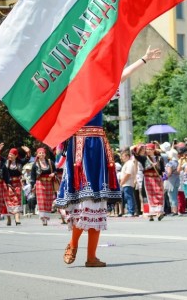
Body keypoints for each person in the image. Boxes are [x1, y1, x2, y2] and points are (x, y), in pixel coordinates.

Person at [57, 46, 161, 267]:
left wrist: (143, 59)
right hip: (81, 147)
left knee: (98, 202)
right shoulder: (70, 91)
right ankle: (74, 244)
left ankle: (91, 256)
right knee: (85, 202)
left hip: (98, 146)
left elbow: (121, 77)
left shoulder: (99, 89)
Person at [31, 148, 58, 226]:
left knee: (48, 200)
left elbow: (55, 171)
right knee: (41, 201)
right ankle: (43, 218)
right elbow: (33, 177)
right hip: (40, 183)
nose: (41, 154)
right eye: (40, 153)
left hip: (49, 183)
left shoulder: (50, 162)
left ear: (45, 154)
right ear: (37, 155)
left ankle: (46, 217)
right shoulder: (35, 164)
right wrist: (33, 186)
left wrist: (54, 174)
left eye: (43, 153)